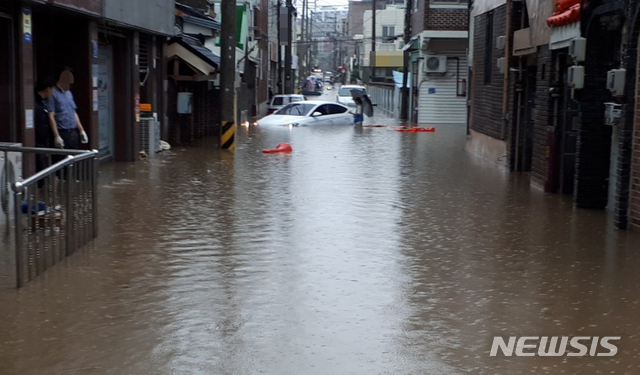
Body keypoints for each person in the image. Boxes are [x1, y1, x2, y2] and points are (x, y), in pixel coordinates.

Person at [49, 67, 88, 150]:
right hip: (62, 132)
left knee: (73, 159)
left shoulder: (68, 93)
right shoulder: (53, 93)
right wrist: (56, 136)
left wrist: (81, 130)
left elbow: (74, 112)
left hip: (73, 132)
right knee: (62, 160)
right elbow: (51, 116)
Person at [34, 77, 55, 175]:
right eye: (52, 89)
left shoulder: (43, 103)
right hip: (37, 145)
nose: (52, 92)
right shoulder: (35, 104)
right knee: (41, 174)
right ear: (47, 89)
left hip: (43, 144)